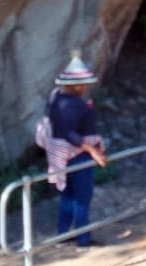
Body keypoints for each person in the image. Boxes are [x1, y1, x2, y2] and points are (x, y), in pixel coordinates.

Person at [46, 52, 108, 247]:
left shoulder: (56, 99)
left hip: (62, 155)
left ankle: (62, 235)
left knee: (68, 195)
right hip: (78, 155)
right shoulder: (72, 104)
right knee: (82, 196)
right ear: (77, 85)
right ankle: (83, 237)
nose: (85, 88)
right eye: (83, 84)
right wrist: (93, 150)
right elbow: (69, 133)